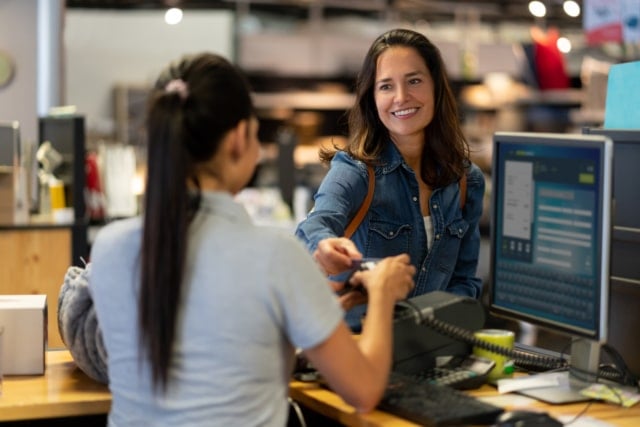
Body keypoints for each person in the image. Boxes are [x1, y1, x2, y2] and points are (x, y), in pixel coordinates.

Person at [86, 52, 415, 426]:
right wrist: (384, 294)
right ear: (240, 137)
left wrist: (315, 314)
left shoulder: (110, 248)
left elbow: (219, 350)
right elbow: (365, 390)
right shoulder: (275, 255)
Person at [295, 28, 485, 332]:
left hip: (431, 350)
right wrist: (325, 247)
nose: (400, 97)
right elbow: (314, 226)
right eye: (386, 86)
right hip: (359, 348)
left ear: (436, 87)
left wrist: (443, 331)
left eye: (414, 81)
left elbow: (464, 281)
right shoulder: (356, 170)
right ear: (372, 98)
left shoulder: (467, 182)